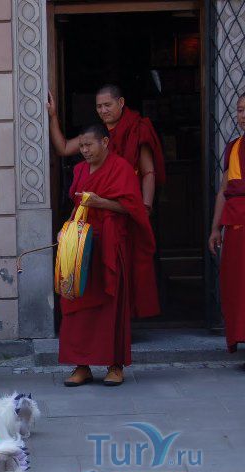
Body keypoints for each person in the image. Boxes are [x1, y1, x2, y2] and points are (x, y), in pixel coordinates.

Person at [59, 124, 159, 387]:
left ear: (105, 142)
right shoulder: (80, 170)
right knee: (77, 304)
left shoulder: (121, 168)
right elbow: (78, 205)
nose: (84, 151)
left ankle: (115, 365)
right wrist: (66, 229)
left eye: (89, 145)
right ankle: (82, 366)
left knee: (111, 307)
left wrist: (101, 203)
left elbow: (132, 207)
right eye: (81, 146)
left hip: (110, 245)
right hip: (81, 247)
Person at [47, 85, 165, 214]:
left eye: (107, 105)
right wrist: (52, 116)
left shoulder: (137, 129)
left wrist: (146, 207)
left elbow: (148, 172)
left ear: (121, 102)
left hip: (128, 202)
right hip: (101, 204)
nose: (103, 110)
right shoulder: (97, 134)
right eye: (99, 106)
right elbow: (63, 148)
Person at [209, 94, 245, 354]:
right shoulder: (233, 147)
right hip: (235, 224)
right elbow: (223, 190)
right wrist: (215, 228)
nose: (242, 115)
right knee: (236, 285)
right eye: (240, 110)